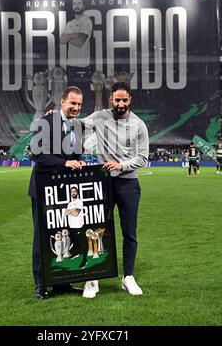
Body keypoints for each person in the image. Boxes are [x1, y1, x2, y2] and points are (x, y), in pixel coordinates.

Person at [80, 82, 149, 297]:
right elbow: (76, 124)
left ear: (130, 100)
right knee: (97, 230)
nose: (120, 104)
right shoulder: (100, 117)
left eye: (124, 100)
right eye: (117, 100)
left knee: (129, 232)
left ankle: (128, 277)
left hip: (128, 183)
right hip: (103, 184)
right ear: (111, 99)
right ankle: (93, 278)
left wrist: (122, 165)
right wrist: (57, 116)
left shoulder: (139, 125)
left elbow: (143, 158)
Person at [28, 86, 85, 299]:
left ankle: (62, 283)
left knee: (66, 234)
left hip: (64, 192)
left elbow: (76, 155)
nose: (76, 108)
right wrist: (66, 162)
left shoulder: (78, 126)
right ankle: (41, 284)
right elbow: (37, 155)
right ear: (62, 102)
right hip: (44, 190)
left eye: (79, 104)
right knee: (42, 238)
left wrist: (78, 161)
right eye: (72, 103)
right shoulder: (46, 121)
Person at [60, 0, 93, 112]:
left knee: (85, 98)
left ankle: (87, 123)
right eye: (74, 3)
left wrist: (69, 36)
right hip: (71, 66)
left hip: (84, 66)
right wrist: (76, 34)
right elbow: (62, 40)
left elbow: (80, 42)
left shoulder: (87, 21)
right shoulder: (70, 23)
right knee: (71, 97)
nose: (77, 5)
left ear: (83, 6)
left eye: (79, 3)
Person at [64, 187, 89, 270]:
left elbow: (76, 214)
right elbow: (66, 213)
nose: (73, 193)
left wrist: (71, 211)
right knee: (75, 242)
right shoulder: (69, 203)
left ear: (77, 193)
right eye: (72, 192)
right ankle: (76, 253)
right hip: (72, 226)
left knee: (82, 243)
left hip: (79, 226)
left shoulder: (80, 202)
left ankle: (85, 260)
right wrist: (72, 210)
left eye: (75, 191)